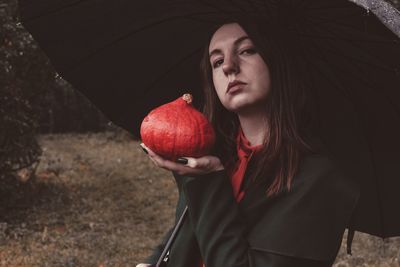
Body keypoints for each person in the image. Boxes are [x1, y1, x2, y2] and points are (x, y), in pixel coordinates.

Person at [136, 19, 360, 267]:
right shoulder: (218, 152)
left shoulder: (320, 180)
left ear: (277, 60)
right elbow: (189, 230)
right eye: (217, 61)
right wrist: (155, 262)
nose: (229, 67)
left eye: (246, 50)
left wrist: (208, 181)